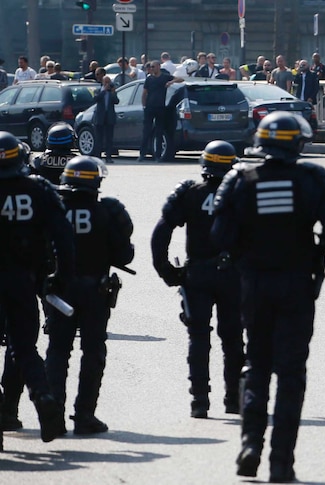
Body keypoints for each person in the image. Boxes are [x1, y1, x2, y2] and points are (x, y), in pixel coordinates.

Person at [211, 112, 325, 483]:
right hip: (297, 287)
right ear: (298, 144)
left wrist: (246, 252)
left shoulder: (240, 179)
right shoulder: (312, 179)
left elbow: (219, 237)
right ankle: (281, 464)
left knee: (257, 365)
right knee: (291, 374)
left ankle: (249, 445)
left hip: (255, 286)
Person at [151, 141, 244, 419]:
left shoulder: (190, 193)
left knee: (198, 338)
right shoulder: (242, 194)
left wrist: (168, 272)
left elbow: (160, 233)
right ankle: (234, 399)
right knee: (233, 338)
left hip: (198, 275)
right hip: (232, 276)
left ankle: (199, 402)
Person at [44, 155, 134, 435]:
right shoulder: (108, 211)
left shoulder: (54, 211)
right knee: (93, 352)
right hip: (95, 291)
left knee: (57, 352)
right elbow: (125, 254)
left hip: (60, 289)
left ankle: (54, 416)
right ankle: (84, 415)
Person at [0, 130, 72, 443]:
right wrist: (59, 276)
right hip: (22, 280)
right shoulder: (38, 188)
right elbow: (64, 238)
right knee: (25, 349)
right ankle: (44, 400)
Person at [138, 60, 182, 162]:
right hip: (149, 108)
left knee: (159, 132)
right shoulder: (149, 79)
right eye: (151, 67)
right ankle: (142, 154)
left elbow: (181, 79)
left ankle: (157, 155)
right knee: (146, 131)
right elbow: (144, 93)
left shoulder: (165, 77)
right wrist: (144, 106)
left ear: (158, 66)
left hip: (160, 108)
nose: (152, 69)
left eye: (153, 67)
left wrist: (171, 82)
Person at [93, 68, 119, 164]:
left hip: (109, 117)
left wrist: (112, 92)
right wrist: (104, 90)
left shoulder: (112, 91)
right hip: (100, 117)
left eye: (109, 82)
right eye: (106, 82)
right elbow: (96, 99)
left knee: (109, 138)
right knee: (99, 138)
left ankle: (108, 156)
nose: (108, 84)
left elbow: (116, 101)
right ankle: (98, 157)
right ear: (103, 82)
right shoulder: (98, 90)